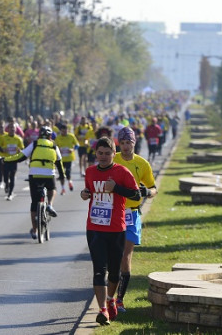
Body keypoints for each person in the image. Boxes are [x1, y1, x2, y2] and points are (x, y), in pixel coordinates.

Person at [80, 137, 141, 325]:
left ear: (114, 154)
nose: (104, 157)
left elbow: (137, 195)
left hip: (116, 228)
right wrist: (84, 194)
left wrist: (117, 188)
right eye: (100, 153)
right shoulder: (90, 172)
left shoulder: (122, 172)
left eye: (107, 153)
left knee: (114, 272)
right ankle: (103, 310)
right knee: (99, 271)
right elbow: (88, 191)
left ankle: (111, 299)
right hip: (95, 228)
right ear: (96, 154)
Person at [113, 127, 157, 313]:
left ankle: (120, 299)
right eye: (122, 143)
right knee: (113, 256)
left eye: (128, 143)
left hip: (132, 213)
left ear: (134, 143)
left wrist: (147, 192)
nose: (125, 147)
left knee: (126, 256)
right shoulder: (113, 159)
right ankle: (109, 294)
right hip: (114, 212)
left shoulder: (142, 163)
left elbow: (154, 188)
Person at [3, 127, 64, 240]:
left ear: (39, 136)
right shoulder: (54, 146)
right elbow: (59, 163)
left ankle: (35, 230)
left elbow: (21, 157)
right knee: (52, 189)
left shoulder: (35, 144)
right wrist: (63, 176)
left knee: (34, 202)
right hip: (49, 175)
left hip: (34, 175)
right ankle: (50, 205)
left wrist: (5, 160)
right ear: (51, 137)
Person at [0, 123, 24, 200]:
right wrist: (2, 149)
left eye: (13, 128)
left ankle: (10, 193)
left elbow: (22, 149)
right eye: (10, 128)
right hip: (5, 160)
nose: (12, 129)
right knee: (5, 177)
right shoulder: (3, 137)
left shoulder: (18, 139)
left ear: (15, 129)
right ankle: (6, 184)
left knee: (12, 177)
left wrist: (20, 151)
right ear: (7, 129)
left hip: (14, 160)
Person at [54, 124, 79, 195]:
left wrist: (73, 149)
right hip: (60, 159)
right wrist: (58, 150)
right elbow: (54, 147)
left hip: (69, 158)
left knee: (68, 172)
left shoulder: (71, 136)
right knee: (62, 174)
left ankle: (70, 182)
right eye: (63, 131)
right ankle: (63, 189)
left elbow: (77, 145)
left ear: (67, 130)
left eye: (65, 131)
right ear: (60, 131)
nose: (64, 133)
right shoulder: (58, 138)